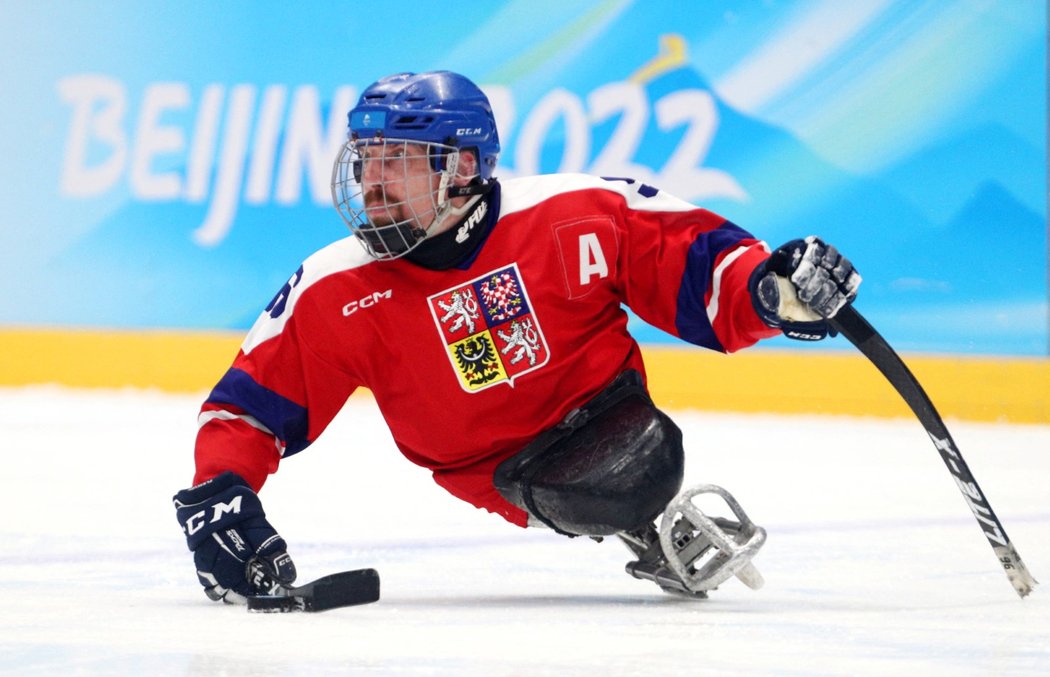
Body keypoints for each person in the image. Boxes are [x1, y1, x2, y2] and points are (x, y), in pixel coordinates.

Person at [173, 71, 860, 603]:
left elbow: (695, 261)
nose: (370, 180)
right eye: (366, 158)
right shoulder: (335, 288)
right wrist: (221, 495)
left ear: (463, 168)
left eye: (397, 159)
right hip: (495, 472)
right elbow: (247, 408)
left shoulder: (579, 213)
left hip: (609, 410)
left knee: (639, 471)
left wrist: (771, 292)